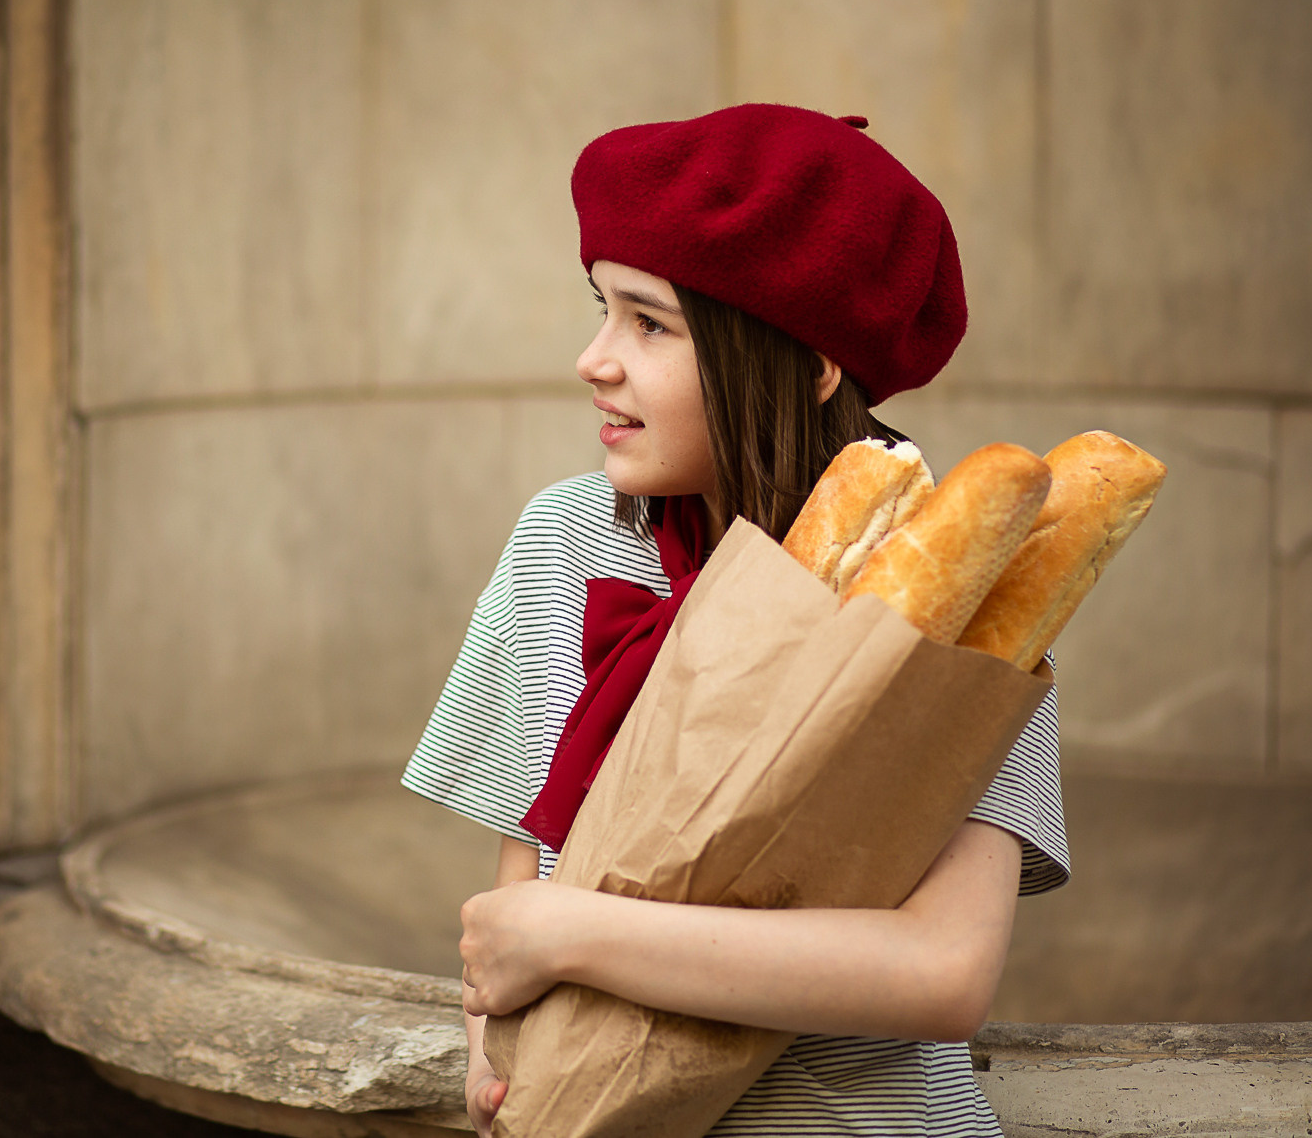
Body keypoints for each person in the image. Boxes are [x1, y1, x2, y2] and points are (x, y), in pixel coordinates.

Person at [401, 104, 1068, 1137]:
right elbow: (519, 891)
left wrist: (572, 934)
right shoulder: (564, 541)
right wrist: (497, 1051)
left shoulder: (960, 592)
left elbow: (940, 972)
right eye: (599, 307)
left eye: (649, 323)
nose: (593, 358)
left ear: (809, 362)